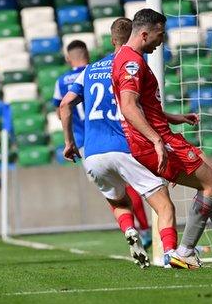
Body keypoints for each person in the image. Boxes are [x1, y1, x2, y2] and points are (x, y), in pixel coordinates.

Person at [112, 9, 212, 268]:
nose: (162, 41)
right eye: (160, 35)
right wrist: (157, 141)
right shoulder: (132, 62)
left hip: (160, 134)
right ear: (144, 33)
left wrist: (175, 117)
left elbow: (144, 106)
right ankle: (184, 251)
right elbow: (128, 106)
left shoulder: (128, 57)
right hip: (155, 140)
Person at [60, 17, 187, 269]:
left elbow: (64, 105)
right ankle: (171, 253)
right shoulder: (129, 65)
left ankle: (129, 230)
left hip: (92, 153)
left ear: (111, 40)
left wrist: (69, 142)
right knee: (164, 205)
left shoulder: (89, 70)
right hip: (125, 145)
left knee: (118, 200)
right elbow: (137, 108)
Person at [53, 39, 153, 250]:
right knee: (131, 184)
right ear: (86, 54)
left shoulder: (62, 81)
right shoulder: (105, 67)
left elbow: (62, 109)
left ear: (68, 58)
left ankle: (130, 228)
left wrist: (68, 140)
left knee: (114, 191)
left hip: (87, 143)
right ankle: (144, 229)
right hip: (118, 133)